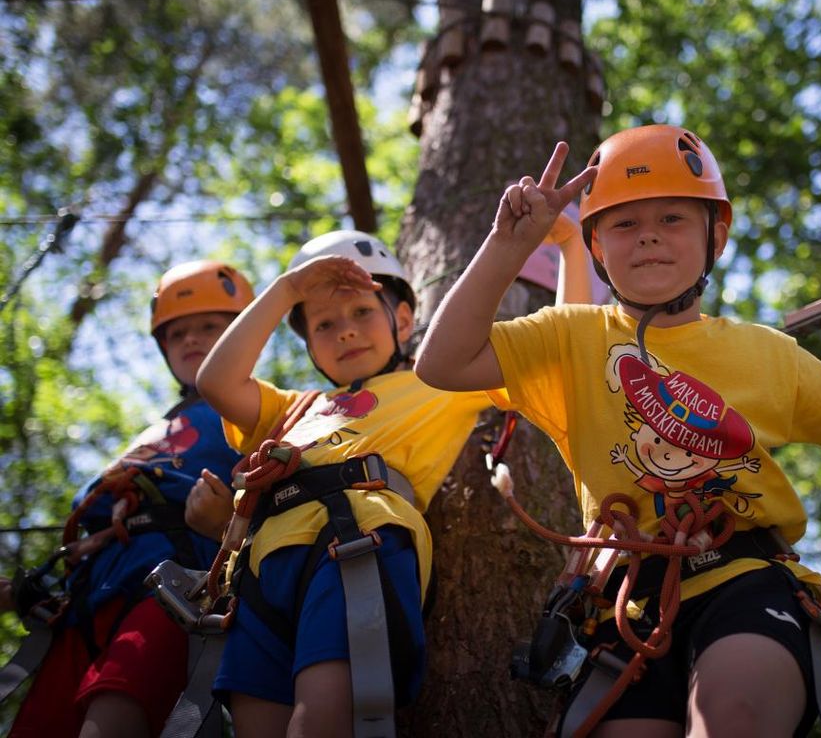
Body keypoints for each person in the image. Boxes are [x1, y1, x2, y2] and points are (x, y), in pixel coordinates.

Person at [413, 126, 821, 737]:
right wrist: (508, 246)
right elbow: (442, 363)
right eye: (624, 223)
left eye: (672, 218)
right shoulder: (570, 338)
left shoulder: (768, 356)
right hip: (629, 609)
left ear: (714, 237)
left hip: (742, 580)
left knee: (735, 718)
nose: (648, 237)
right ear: (596, 248)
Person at [192, 226, 589, 737]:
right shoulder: (295, 409)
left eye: (361, 312)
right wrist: (288, 290)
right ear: (310, 347)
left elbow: (557, 348)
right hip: (263, 571)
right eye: (325, 324)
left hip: (356, 547)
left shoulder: (439, 379)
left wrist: (571, 247)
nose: (346, 331)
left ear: (403, 319)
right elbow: (216, 382)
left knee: (322, 718)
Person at [0, 260, 255, 738]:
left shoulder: (256, 413)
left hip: (177, 584)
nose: (191, 340)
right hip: (91, 593)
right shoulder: (159, 431)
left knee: (115, 710)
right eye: (177, 334)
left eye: (209, 327)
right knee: (39, 725)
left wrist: (228, 531)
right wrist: (30, 589)